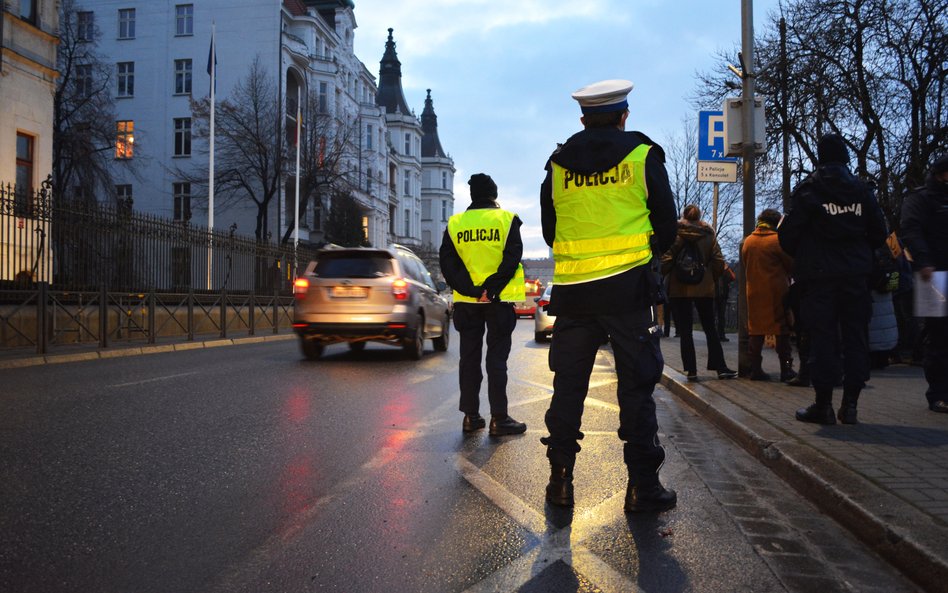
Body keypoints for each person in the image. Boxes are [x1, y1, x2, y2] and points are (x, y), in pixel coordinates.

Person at [539, 79, 679, 513]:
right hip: (629, 292)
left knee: (568, 389)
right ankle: (642, 487)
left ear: (582, 119)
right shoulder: (642, 155)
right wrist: (640, 256)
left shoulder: (558, 164)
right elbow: (667, 225)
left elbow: (550, 230)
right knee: (636, 389)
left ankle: (560, 484)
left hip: (575, 297)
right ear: (624, 116)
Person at [778, 134, 888, 424]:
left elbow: (787, 236)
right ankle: (850, 405)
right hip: (855, 277)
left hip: (819, 278)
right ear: (845, 158)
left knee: (822, 339)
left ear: (821, 157)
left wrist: (809, 253)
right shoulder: (863, 192)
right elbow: (879, 233)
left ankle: (823, 405)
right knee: (856, 338)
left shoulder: (810, 191)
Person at [439, 173, 529, 435]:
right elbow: (512, 257)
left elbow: (448, 263)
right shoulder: (506, 219)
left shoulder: (455, 223)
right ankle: (499, 419)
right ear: (494, 195)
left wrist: (473, 289)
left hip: (468, 302)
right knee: (496, 360)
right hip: (498, 301)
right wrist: (492, 288)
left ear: (472, 196)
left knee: (469, 359)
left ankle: (471, 417)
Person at [661, 205, 738, 381]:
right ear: (699, 216)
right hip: (704, 289)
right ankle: (720, 367)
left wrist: (670, 273)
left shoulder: (675, 234)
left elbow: (665, 259)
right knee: (710, 328)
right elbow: (718, 261)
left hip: (679, 289)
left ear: (683, 216)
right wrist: (710, 278)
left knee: (685, 331)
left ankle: (692, 371)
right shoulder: (708, 235)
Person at [899, 154, 948, 414]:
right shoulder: (922, 199)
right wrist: (924, 261)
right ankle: (938, 393)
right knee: (937, 335)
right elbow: (911, 230)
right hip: (934, 276)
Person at [740, 208, 796, 382]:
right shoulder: (777, 241)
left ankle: (755, 369)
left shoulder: (748, 241)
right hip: (776, 292)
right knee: (781, 330)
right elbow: (791, 265)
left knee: (756, 331)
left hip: (754, 292)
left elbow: (744, 264)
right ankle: (786, 369)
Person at [715, 262, 736, 341]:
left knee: (721, 316)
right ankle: (714, 334)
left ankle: (721, 335)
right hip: (714, 295)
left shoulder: (725, 270)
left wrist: (727, 269)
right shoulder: (713, 267)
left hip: (722, 296)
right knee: (714, 315)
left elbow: (733, 278)